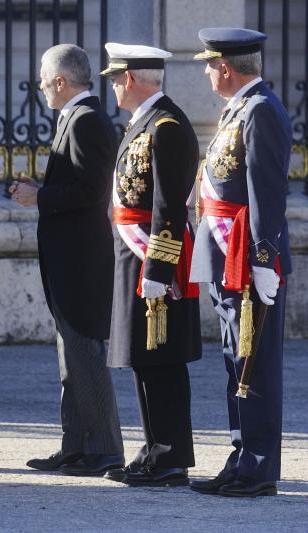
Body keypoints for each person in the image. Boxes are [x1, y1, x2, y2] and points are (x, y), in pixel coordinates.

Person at [10, 44, 124, 476]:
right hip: (68, 259)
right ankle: (76, 445)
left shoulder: (87, 120)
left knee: (85, 355)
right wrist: (42, 191)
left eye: (43, 77)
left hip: (80, 262)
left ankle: (105, 449)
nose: (40, 85)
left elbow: (92, 191)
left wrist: (40, 196)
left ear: (61, 81)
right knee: (71, 358)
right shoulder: (75, 117)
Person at [189, 28, 292, 497]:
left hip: (249, 263)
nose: (209, 72)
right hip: (229, 256)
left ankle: (258, 468)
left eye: (210, 65)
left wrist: (265, 259)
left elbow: (265, 192)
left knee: (256, 363)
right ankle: (241, 455)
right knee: (236, 360)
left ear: (226, 68)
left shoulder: (261, 111)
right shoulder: (242, 109)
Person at [97, 43, 202, 487]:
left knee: (162, 359)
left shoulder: (167, 127)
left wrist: (158, 271)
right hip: (132, 256)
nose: (115, 86)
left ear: (133, 78)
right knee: (144, 358)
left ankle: (170, 456)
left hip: (154, 261)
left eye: (117, 78)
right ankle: (154, 448)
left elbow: (168, 208)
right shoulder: (143, 123)